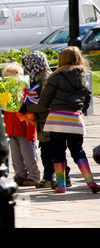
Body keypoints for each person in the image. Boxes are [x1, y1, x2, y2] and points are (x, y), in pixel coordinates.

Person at [40, 46, 100, 193]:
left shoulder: (55, 77)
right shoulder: (84, 78)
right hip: (75, 119)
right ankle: (90, 182)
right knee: (78, 151)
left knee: (58, 152)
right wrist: (77, 112)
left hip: (56, 119)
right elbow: (86, 103)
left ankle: (61, 185)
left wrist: (48, 106)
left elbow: (43, 101)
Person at [22, 51, 71, 189]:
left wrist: (27, 108)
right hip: (45, 122)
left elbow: (45, 104)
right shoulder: (42, 77)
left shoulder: (45, 79)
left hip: (50, 122)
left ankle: (63, 178)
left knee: (55, 152)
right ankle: (49, 177)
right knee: (47, 152)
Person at [2, 62, 40, 186]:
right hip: (11, 128)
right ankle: (20, 174)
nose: (9, 81)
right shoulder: (6, 92)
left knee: (28, 153)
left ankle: (33, 175)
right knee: (15, 155)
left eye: (11, 78)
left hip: (24, 126)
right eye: (6, 78)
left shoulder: (25, 90)